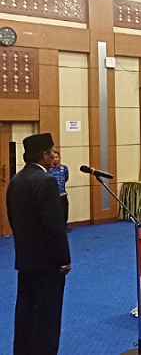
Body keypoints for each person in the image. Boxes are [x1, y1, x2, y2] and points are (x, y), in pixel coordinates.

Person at [6, 133, 71, 355]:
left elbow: (13, 219)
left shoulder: (16, 180)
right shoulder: (46, 181)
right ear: (44, 155)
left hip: (25, 259)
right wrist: (64, 259)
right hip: (48, 263)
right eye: (52, 152)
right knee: (46, 317)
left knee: (25, 312)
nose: (54, 156)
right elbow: (54, 226)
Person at [48, 150, 70, 232]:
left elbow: (66, 178)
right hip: (52, 195)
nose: (55, 159)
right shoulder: (47, 170)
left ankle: (64, 227)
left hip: (62, 194)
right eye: (53, 157)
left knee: (64, 211)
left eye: (57, 157)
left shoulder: (64, 168)